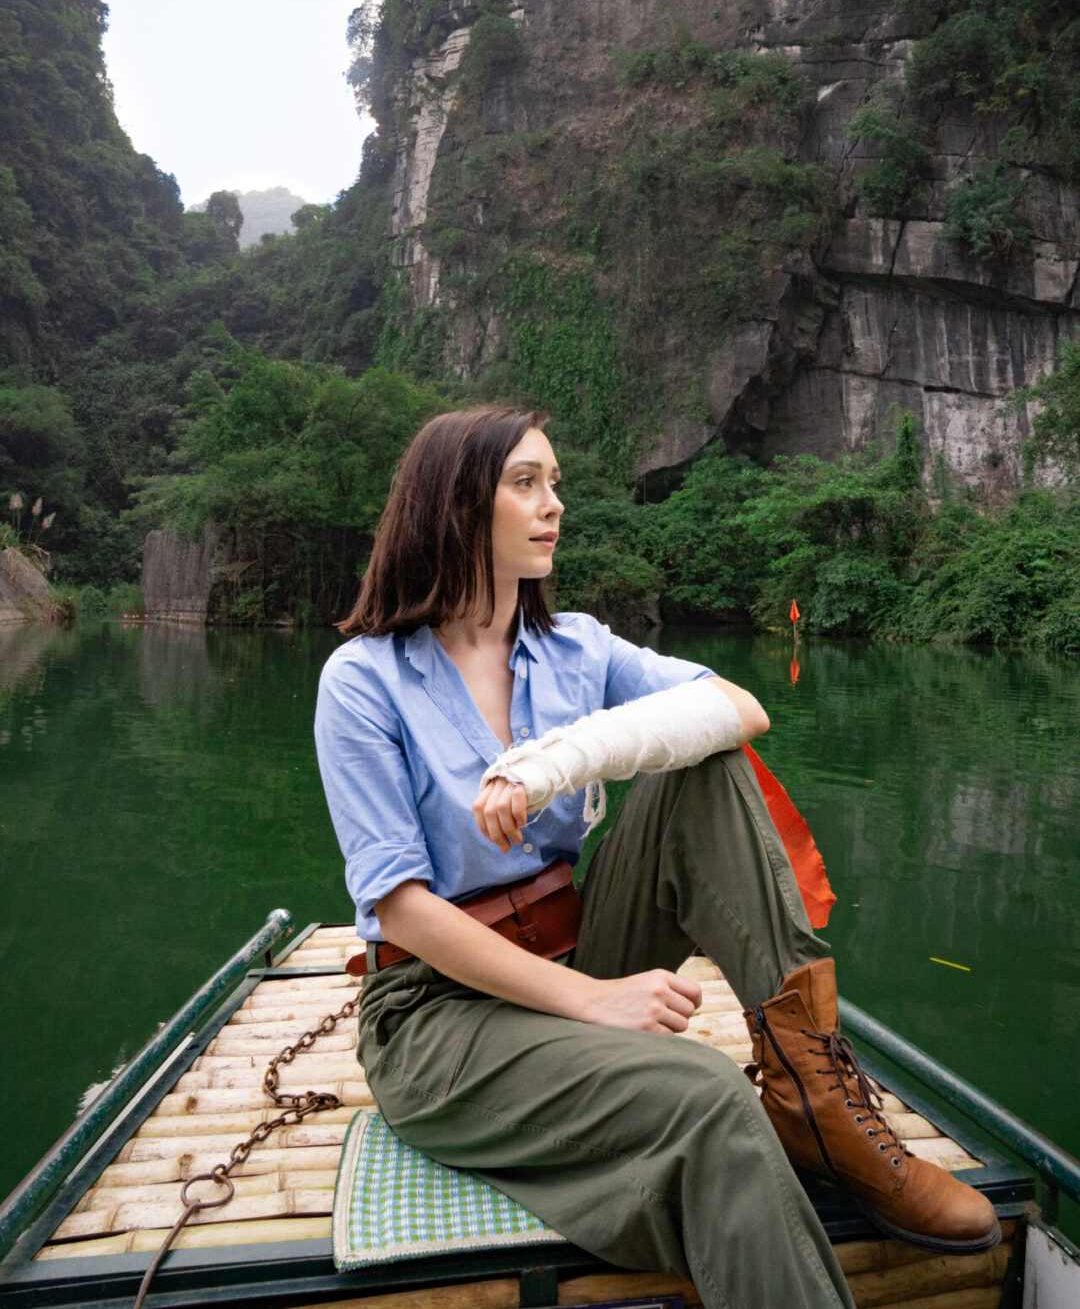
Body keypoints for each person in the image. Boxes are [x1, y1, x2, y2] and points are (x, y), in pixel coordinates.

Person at [314, 405, 999, 1309]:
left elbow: (741, 709)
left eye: (555, 483)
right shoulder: (364, 679)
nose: (554, 504)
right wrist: (596, 1001)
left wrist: (561, 759)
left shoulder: (576, 649)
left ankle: (814, 1099)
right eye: (526, 484)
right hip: (438, 1014)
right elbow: (398, 906)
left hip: (574, 940)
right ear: (453, 506)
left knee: (703, 763)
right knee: (707, 1093)